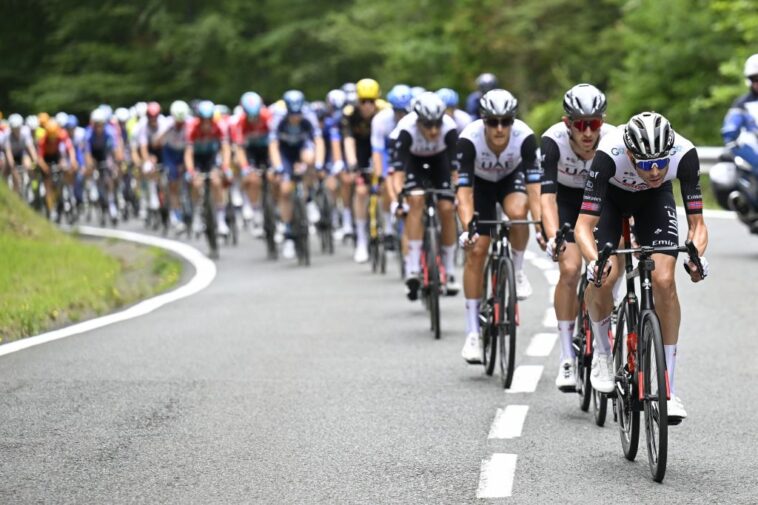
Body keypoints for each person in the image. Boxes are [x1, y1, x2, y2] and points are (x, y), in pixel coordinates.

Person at [574, 111, 709, 422]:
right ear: (630, 154)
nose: (656, 170)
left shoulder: (684, 154)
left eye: (661, 162)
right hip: (610, 200)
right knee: (603, 279)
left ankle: (669, 390)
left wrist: (697, 255)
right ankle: (604, 357)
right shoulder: (609, 153)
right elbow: (583, 226)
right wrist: (594, 261)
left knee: (664, 281)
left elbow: (697, 224)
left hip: (652, 202)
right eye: (647, 164)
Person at [456, 89, 542, 363]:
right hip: (479, 186)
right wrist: (468, 227)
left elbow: (535, 190)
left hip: (510, 179)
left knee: (518, 212)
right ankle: (472, 332)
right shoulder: (468, 139)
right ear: (483, 121)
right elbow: (464, 193)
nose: (500, 128)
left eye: (506, 121)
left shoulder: (525, 138)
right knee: (478, 249)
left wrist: (541, 228)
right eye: (493, 122)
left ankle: (515, 270)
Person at [539, 83, 615, 390]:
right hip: (567, 203)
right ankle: (567, 356)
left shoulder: (613, 140)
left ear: (602, 121)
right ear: (566, 122)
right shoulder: (552, 141)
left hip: (603, 202)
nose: (587, 132)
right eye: (580, 124)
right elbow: (546, 198)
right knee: (570, 269)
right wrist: (552, 235)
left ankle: (605, 325)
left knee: (610, 271)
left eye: (594, 123)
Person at [390, 91, 460, 299]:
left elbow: (456, 172)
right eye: (428, 125)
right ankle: (412, 267)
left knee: (447, 208)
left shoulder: (449, 129)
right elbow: (397, 175)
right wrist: (398, 200)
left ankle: (449, 270)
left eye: (437, 124)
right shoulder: (404, 130)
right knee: (416, 201)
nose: (433, 130)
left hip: (440, 163)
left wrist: (458, 194)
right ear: (418, 120)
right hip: (414, 163)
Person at [268, 90, 325, 259]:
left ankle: (308, 200)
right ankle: (287, 232)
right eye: (292, 114)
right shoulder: (278, 118)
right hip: (285, 152)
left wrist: (319, 164)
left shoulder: (309, 115)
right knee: (285, 189)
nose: (295, 118)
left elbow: (318, 142)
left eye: (298, 114)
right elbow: (273, 145)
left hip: (302, 147)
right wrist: (278, 167)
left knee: (310, 159)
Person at [341, 78, 387, 262]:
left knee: (384, 187)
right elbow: (348, 140)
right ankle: (360, 238)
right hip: (360, 149)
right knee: (360, 191)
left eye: (371, 101)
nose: (367, 106)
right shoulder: (350, 113)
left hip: (380, 148)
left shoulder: (385, 111)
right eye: (363, 101)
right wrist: (352, 163)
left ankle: (387, 228)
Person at [722, 53, 758, 173]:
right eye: (755, 79)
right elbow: (729, 131)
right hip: (753, 151)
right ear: (749, 80)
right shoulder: (741, 104)